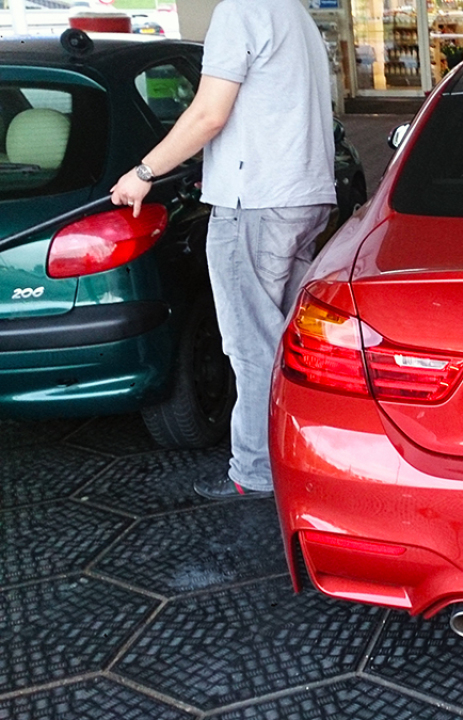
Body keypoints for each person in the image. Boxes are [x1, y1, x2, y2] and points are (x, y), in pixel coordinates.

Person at [111, 0, 336, 500]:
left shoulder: (238, 11)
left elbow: (209, 114)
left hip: (255, 200)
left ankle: (256, 472)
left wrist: (143, 173)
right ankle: (304, 461)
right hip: (304, 194)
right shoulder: (294, 13)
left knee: (249, 346)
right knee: (284, 345)